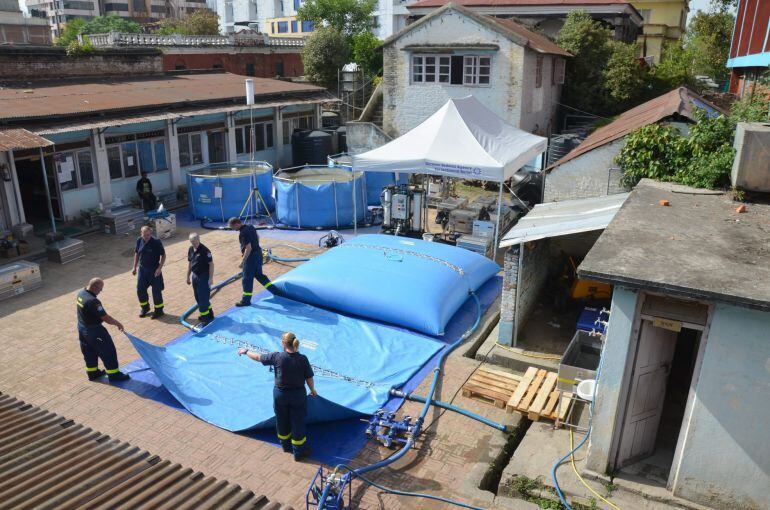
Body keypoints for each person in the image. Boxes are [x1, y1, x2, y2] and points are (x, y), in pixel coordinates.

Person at [238, 332, 316, 461]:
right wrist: (312, 390)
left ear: (283, 344)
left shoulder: (277, 357)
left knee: (281, 419)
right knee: (298, 422)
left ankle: (285, 446)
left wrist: (245, 351)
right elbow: (309, 377)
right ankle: (298, 452)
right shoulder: (302, 359)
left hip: (280, 395)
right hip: (298, 395)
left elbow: (258, 357)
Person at [76, 278, 130, 382]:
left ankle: (92, 373)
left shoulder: (81, 293)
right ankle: (114, 375)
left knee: (88, 351)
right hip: (94, 331)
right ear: (95, 287)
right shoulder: (93, 301)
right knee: (108, 350)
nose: (100, 292)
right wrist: (117, 323)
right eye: (100, 289)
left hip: (82, 328)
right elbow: (105, 318)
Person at [227, 217, 278, 306]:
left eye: (232, 227)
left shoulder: (243, 233)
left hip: (251, 258)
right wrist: (256, 245)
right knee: (259, 275)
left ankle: (246, 301)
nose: (233, 229)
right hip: (258, 254)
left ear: (236, 224)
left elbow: (248, 248)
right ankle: (275, 291)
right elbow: (257, 236)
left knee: (247, 279)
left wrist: (243, 262)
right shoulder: (250, 227)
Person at [132, 225, 166, 319]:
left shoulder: (156, 242)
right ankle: (145, 308)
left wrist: (159, 268)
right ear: (141, 233)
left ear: (151, 233)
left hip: (154, 270)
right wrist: (134, 267)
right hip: (142, 270)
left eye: (148, 235)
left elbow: (163, 255)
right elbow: (137, 253)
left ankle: (159, 311)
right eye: (145, 235)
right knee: (140, 289)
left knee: (156, 291)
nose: (147, 237)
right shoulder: (139, 240)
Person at [186, 232, 214, 324]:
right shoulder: (190, 249)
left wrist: (210, 278)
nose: (194, 243)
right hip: (195, 276)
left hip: (204, 276)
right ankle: (210, 314)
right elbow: (190, 263)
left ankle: (205, 318)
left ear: (199, 239)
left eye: (195, 241)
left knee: (203, 298)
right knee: (198, 297)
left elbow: (211, 264)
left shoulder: (205, 250)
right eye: (192, 242)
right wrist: (188, 276)